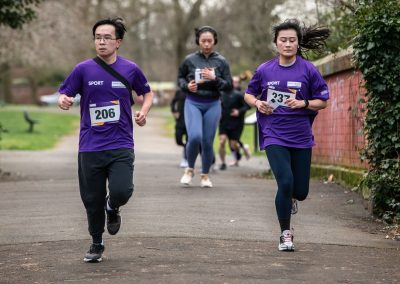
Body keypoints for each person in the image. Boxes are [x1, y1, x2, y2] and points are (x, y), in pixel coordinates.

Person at [58, 17, 153, 263]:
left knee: (122, 190)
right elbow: (64, 93)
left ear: (118, 42)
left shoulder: (130, 69)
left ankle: (113, 206)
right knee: (92, 198)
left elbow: (146, 92)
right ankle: (96, 242)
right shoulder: (83, 69)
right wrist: (64, 101)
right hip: (90, 145)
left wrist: (144, 111)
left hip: (121, 142)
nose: (101, 42)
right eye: (98, 37)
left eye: (107, 37)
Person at [244, 19, 330, 251]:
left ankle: (291, 198)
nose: (288, 44)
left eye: (292, 40)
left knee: (300, 191)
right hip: (274, 133)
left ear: (298, 42)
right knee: (285, 181)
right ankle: (285, 233)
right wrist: (259, 103)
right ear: (276, 43)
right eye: (283, 40)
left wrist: (303, 103)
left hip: (301, 135)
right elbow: (249, 95)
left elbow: (322, 101)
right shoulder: (264, 70)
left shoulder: (308, 70)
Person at [178, 25, 232, 188]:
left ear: (214, 41)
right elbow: (180, 80)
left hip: (213, 104)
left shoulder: (221, 62)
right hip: (193, 102)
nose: (207, 44)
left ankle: (205, 175)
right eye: (203, 41)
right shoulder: (189, 60)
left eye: (209, 41)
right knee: (194, 137)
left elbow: (229, 86)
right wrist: (188, 86)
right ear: (198, 42)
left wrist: (215, 78)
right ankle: (189, 169)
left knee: (208, 141)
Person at [218, 75, 251, 170]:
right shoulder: (221, 94)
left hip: (236, 123)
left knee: (233, 144)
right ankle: (223, 163)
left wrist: (238, 112)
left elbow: (247, 106)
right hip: (223, 122)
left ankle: (242, 149)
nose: (234, 83)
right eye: (233, 81)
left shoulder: (240, 94)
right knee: (222, 141)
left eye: (236, 82)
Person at [170, 88, 188, 168]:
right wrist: (174, 112)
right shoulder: (180, 91)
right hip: (180, 120)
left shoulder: (194, 90)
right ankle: (185, 147)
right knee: (178, 140)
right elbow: (173, 102)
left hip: (189, 120)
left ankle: (185, 159)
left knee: (189, 141)